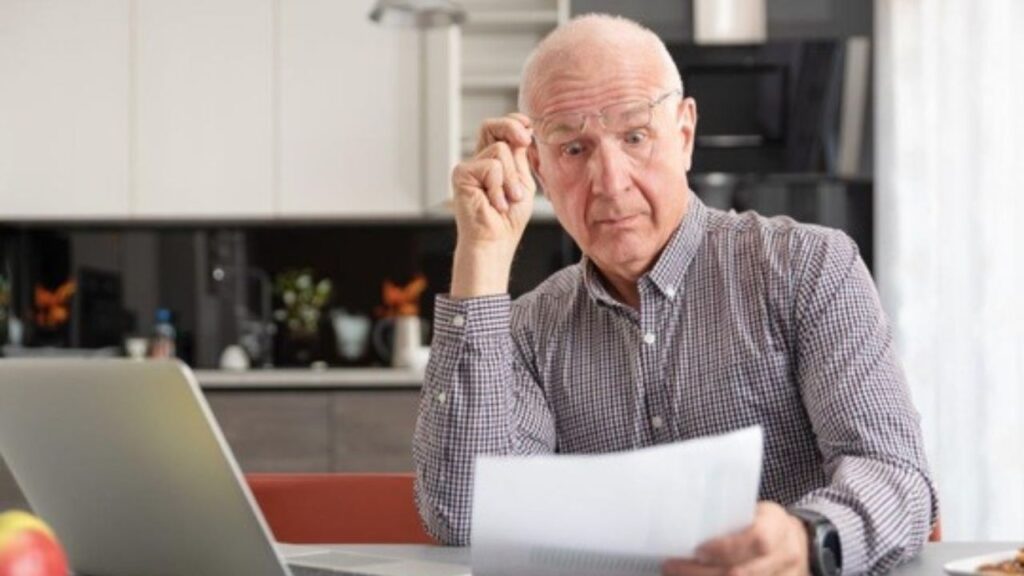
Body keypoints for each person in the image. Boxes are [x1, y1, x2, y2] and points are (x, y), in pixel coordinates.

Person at [413, 13, 937, 576]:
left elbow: (896, 476)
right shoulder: (526, 331)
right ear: (538, 167)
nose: (610, 181)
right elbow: (465, 519)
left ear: (684, 134)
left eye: (635, 137)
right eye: (573, 149)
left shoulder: (810, 268)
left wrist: (806, 538)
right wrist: (483, 253)